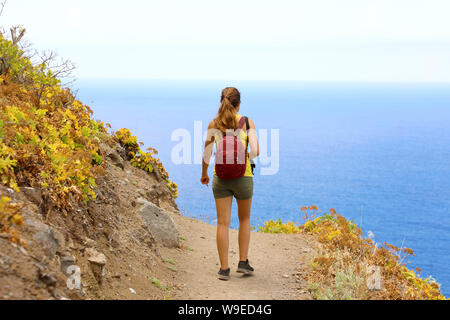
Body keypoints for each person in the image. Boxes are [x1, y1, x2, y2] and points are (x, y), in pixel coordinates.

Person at [201, 87, 260, 281]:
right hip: (244, 177)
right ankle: (243, 262)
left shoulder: (214, 123)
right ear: (239, 104)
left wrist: (204, 174)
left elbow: (207, 154)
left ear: (222, 102)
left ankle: (224, 269)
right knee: (244, 219)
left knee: (223, 223)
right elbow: (256, 151)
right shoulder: (247, 122)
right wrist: (243, 156)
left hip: (221, 178)